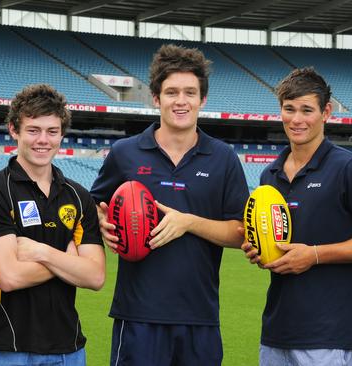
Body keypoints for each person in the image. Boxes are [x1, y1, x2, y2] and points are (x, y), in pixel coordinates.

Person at [90, 44, 249, 366]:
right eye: (172, 92)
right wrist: (101, 223)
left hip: (199, 316)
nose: (181, 101)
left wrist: (188, 222)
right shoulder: (124, 152)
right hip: (137, 315)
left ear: (202, 99)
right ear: (156, 97)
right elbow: (93, 208)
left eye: (190, 93)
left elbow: (240, 232)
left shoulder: (223, 158)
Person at [241, 67, 352, 366]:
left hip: (328, 336)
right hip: (276, 333)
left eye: (306, 110)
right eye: (289, 109)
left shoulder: (349, 168)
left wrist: (313, 255)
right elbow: (279, 241)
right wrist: (260, 250)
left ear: (326, 112)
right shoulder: (268, 175)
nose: (297, 119)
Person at [0, 84, 105, 365]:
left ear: (62, 134)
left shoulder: (79, 196)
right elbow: (9, 277)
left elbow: (95, 277)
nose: (43, 140)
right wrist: (69, 261)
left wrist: (42, 252)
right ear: (13, 130)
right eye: (33, 130)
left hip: (69, 349)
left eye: (52, 131)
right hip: (9, 348)